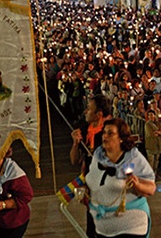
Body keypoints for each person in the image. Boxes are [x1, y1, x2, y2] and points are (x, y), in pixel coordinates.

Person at [85, 117, 156, 238]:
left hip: (131, 227)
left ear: (121, 138)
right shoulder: (97, 156)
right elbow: (93, 182)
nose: (105, 136)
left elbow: (151, 188)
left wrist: (137, 184)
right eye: (104, 132)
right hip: (103, 230)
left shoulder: (133, 158)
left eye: (110, 133)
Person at [70, 94, 112, 237]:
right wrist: (76, 144)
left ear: (98, 114)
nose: (85, 112)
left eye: (89, 109)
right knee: (91, 230)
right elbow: (74, 161)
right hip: (91, 191)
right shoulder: (84, 130)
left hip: (108, 191)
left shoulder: (111, 133)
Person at [144, 109, 161, 175]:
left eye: (152, 115)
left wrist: (158, 132)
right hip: (151, 145)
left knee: (156, 161)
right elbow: (150, 134)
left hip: (158, 144)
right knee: (151, 162)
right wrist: (157, 132)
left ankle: (155, 174)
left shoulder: (158, 123)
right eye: (149, 115)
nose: (150, 116)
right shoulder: (147, 124)